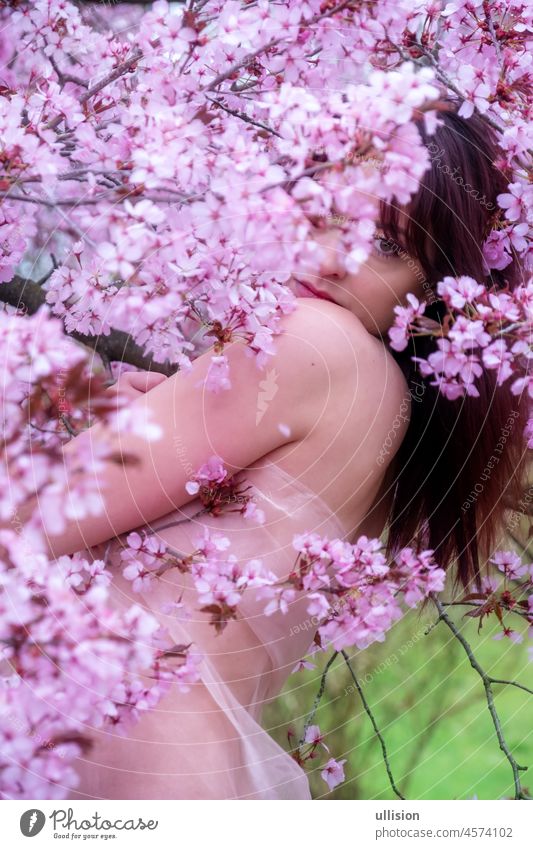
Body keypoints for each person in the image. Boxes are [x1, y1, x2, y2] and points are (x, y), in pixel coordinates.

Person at [25, 100, 530, 799]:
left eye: (385, 245)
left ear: (440, 291)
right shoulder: (390, 413)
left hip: (100, 752)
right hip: (173, 767)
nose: (328, 256)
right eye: (323, 205)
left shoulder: (310, 338)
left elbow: (26, 518)